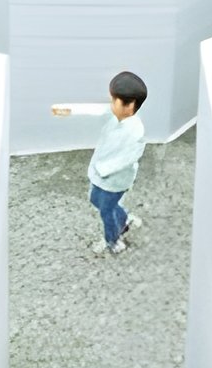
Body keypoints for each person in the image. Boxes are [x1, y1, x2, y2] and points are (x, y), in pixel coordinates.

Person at [54, 71, 149, 256]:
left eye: (115, 101)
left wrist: (102, 169)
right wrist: (67, 110)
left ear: (130, 106)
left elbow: (129, 157)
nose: (111, 104)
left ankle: (113, 240)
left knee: (106, 211)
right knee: (95, 200)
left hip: (115, 181)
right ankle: (124, 218)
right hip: (99, 174)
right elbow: (94, 109)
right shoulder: (114, 113)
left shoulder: (136, 132)